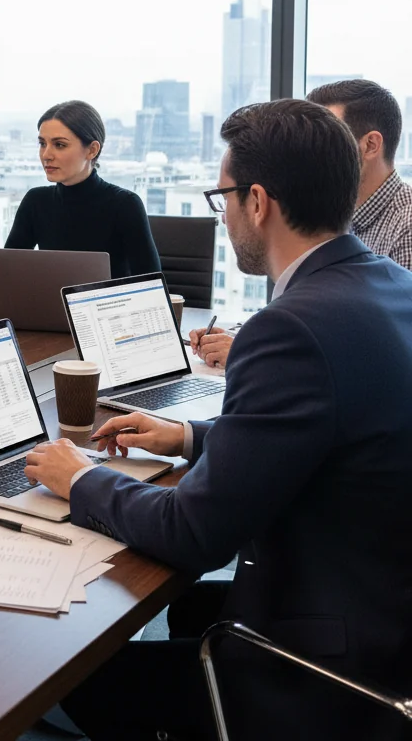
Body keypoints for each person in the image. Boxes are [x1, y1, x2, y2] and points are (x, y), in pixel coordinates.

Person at [24, 99, 412, 741]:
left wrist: (79, 479)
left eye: (222, 195)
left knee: (63, 676)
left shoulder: (287, 328)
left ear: (257, 202)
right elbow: (332, 434)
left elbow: (193, 534)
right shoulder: (391, 285)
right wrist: (190, 437)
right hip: (381, 622)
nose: (224, 212)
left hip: (318, 674)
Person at [192, 78, 412, 370]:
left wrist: (266, 352)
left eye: (330, 134)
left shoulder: (405, 224)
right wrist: (255, 342)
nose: (311, 149)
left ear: (370, 144)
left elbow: (380, 351)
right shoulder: (339, 225)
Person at [4, 101, 161, 277]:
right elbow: (7, 273)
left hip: (107, 305)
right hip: (48, 304)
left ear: (92, 150)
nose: (46, 155)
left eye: (59, 145)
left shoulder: (124, 205)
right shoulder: (36, 201)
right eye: (42, 144)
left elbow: (151, 286)